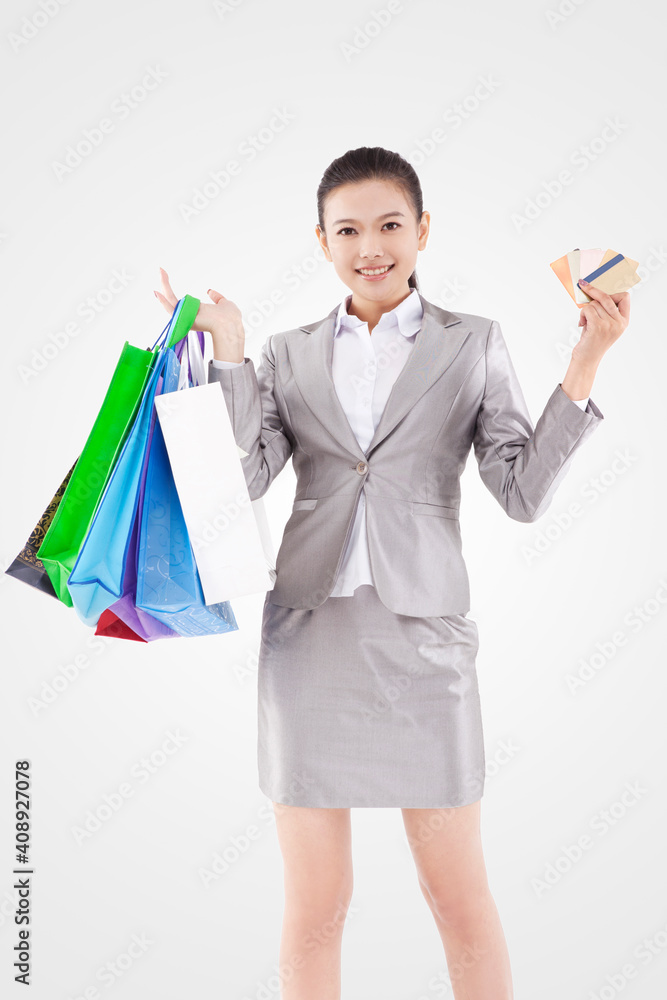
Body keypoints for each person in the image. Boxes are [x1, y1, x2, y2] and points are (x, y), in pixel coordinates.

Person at [155, 146, 630, 1000]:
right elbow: (243, 479)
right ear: (321, 240)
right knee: (316, 904)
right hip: (308, 644)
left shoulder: (473, 341)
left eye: (388, 225)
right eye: (348, 230)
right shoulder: (287, 351)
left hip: (425, 646)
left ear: (421, 231)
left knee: (454, 895)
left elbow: (518, 492)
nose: (369, 246)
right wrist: (228, 349)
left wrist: (585, 363)